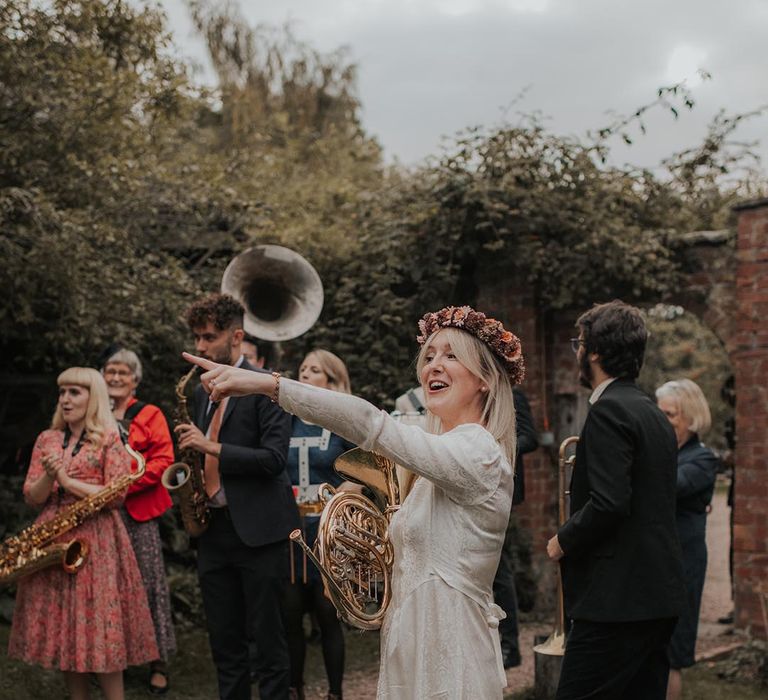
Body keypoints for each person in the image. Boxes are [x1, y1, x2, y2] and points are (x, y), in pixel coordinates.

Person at [184, 304, 525, 699]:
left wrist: (268, 384)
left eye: (451, 356)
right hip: (410, 640)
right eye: (429, 355)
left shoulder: (478, 451)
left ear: (484, 379)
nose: (434, 365)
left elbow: (369, 423)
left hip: (448, 646)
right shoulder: (443, 452)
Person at [546, 300, 685, 700]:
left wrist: (563, 540)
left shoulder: (609, 411)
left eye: (579, 343)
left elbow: (610, 503)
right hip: (658, 594)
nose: (576, 352)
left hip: (617, 602)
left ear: (594, 351)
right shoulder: (652, 412)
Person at [174, 293, 298, 700]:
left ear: (237, 336)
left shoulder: (270, 388)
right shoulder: (198, 393)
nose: (200, 347)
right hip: (214, 533)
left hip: (261, 535)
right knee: (225, 647)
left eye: (209, 337)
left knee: (269, 645)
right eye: (197, 337)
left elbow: (274, 459)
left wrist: (212, 449)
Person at [7, 367, 158, 700]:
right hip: (53, 538)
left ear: (93, 398)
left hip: (99, 541)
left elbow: (115, 496)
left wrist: (66, 479)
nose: (65, 399)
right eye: (62, 392)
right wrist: (49, 478)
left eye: (75, 392)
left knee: (102, 628)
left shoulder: (108, 437)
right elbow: (32, 497)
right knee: (66, 630)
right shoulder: (47, 439)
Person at [102, 348, 177, 695]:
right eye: (109, 371)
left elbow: (163, 459)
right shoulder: (95, 413)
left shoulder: (150, 413)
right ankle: (112, 656)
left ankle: (157, 661)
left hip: (137, 512)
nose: (115, 377)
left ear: (135, 378)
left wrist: (125, 484)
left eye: (122, 372)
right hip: (102, 515)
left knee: (148, 585)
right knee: (106, 589)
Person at [284, 349, 357, 700]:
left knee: (328, 616)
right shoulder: (285, 417)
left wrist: (344, 491)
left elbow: (367, 464)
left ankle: (334, 693)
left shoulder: (342, 418)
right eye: (303, 369)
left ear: (331, 379)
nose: (306, 374)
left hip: (327, 531)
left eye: (315, 370)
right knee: (291, 617)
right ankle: (294, 689)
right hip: (291, 530)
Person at [655, 379, 719, 700]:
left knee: (672, 656)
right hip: (656, 563)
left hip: (682, 564)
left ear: (690, 418)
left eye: (670, 415)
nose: (662, 421)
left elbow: (671, 486)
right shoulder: (665, 453)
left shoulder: (703, 459)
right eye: (659, 413)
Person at [492, 386, 539, 668]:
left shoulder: (511, 394)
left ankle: (510, 647)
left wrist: (496, 449)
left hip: (503, 489)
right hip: (474, 486)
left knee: (500, 569)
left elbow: (530, 437)